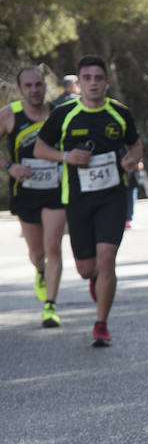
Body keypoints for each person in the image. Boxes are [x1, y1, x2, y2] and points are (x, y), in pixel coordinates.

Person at [34, 54, 143, 347]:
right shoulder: (64, 114)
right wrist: (66, 156)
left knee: (107, 259)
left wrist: (132, 160)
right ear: (79, 83)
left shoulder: (120, 113)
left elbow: (136, 146)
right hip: (78, 199)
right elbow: (40, 149)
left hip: (113, 197)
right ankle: (95, 277)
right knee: (86, 269)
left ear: (106, 82)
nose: (93, 83)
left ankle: (101, 325)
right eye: (87, 78)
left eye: (98, 78)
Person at [0, 67, 67, 328]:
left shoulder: (58, 114)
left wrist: (64, 167)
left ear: (44, 86)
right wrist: (9, 167)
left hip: (55, 190)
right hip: (25, 191)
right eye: (28, 86)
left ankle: (50, 305)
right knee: (37, 252)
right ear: (20, 90)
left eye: (38, 85)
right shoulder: (9, 115)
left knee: (53, 247)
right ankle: (40, 271)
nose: (34, 90)